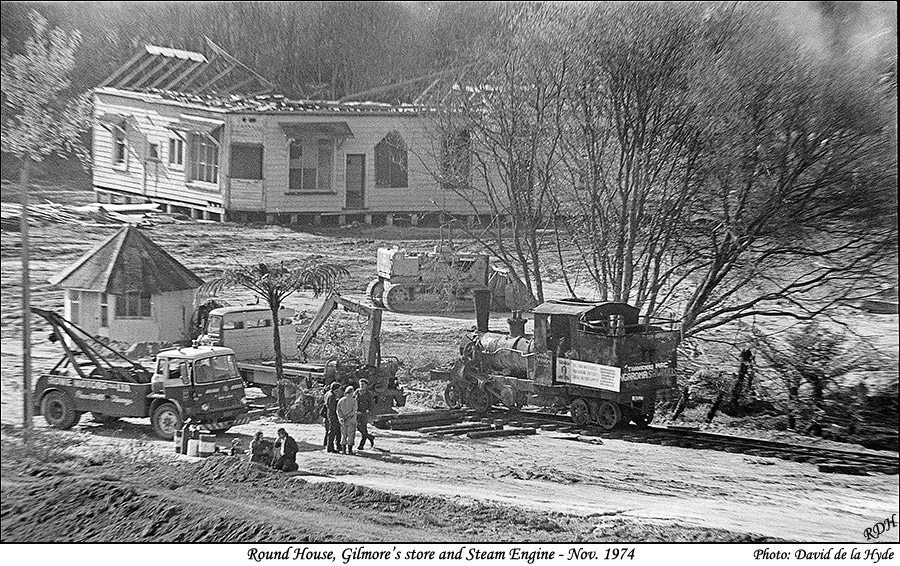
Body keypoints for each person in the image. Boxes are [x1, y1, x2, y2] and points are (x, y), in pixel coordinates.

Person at [336, 385, 358, 455]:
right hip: (351, 420)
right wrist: (347, 416)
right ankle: (350, 450)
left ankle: (343, 450)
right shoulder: (354, 401)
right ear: (352, 392)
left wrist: (341, 417)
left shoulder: (341, 400)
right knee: (351, 435)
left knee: (344, 434)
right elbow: (354, 411)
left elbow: (338, 410)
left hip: (342, 420)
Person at [324, 381, 343, 453]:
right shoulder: (332, 396)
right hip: (333, 415)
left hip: (330, 414)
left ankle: (335, 445)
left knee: (335, 431)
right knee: (332, 431)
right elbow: (332, 407)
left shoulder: (328, 393)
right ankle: (330, 447)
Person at [355, 379, 375, 450]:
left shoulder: (369, 394)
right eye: (360, 384)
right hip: (357, 412)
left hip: (363, 413)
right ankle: (370, 437)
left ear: (366, 385)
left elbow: (372, 404)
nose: (361, 386)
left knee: (363, 428)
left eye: (363, 384)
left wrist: (367, 411)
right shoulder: (357, 392)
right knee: (359, 428)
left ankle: (361, 445)